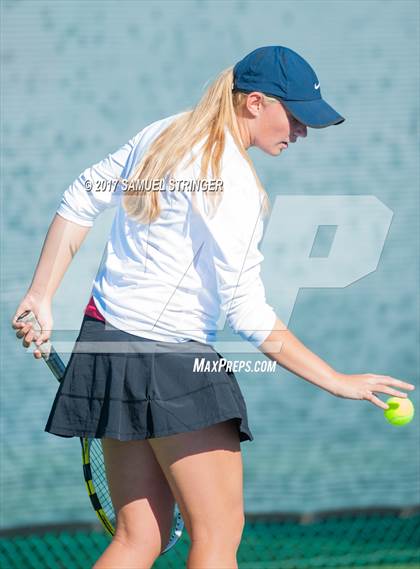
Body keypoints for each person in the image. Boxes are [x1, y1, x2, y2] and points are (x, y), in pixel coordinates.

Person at [11, 46, 415, 569]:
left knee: (139, 539)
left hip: (105, 346)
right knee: (219, 538)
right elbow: (247, 313)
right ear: (254, 103)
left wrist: (41, 294)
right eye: (294, 117)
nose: (301, 132)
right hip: (173, 368)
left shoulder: (164, 133)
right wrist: (336, 380)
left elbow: (80, 197)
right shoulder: (235, 186)